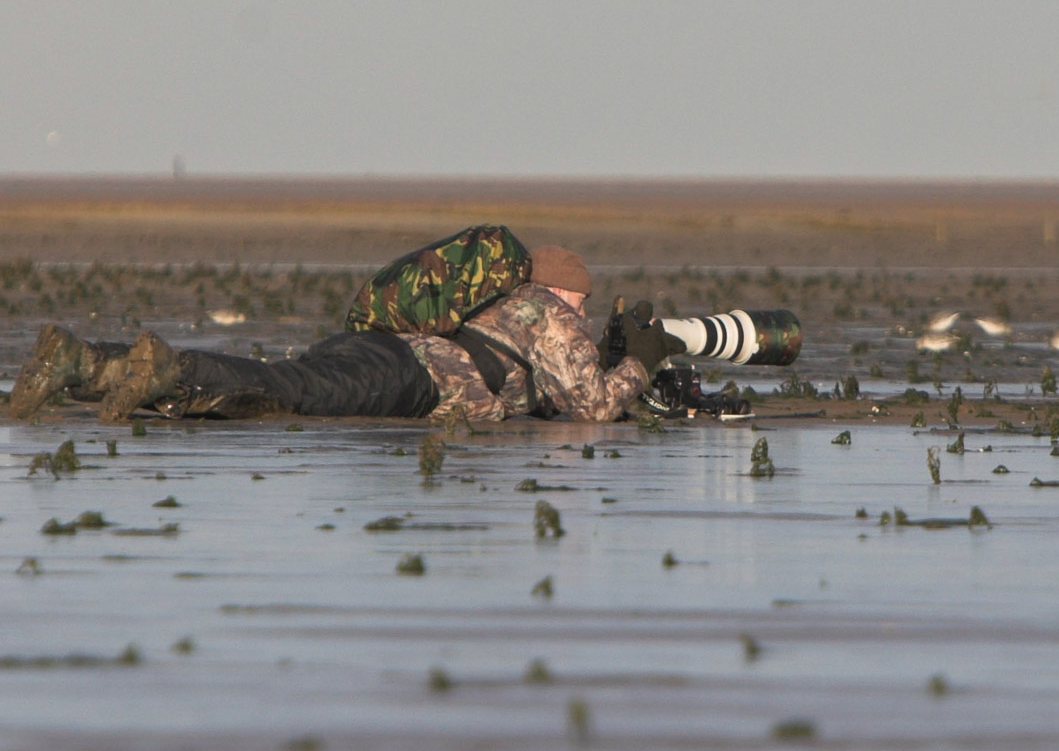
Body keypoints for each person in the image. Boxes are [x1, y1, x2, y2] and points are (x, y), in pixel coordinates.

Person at [8, 245, 683, 424]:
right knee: (285, 390)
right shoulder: (547, 311)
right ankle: (167, 372)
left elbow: (555, 387)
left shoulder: (496, 300)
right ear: (568, 291)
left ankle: (86, 364)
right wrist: (643, 361)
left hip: (374, 350)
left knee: (281, 381)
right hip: (404, 380)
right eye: (583, 301)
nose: (583, 316)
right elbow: (591, 407)